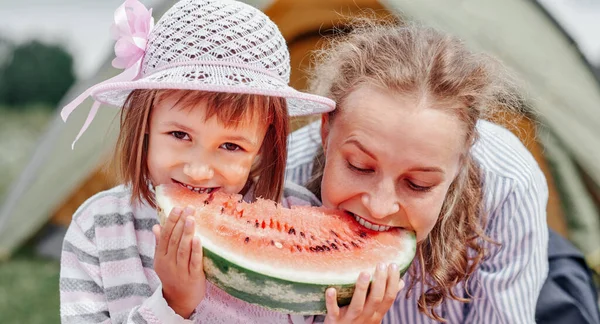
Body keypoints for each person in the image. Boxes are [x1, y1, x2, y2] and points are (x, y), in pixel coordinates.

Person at [58, 0, 401, 323]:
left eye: (231, 146)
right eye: (179, 135)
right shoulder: (96, 228)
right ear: (146, 121)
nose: (198, 169)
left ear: (264, 143)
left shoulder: (301, 211)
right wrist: (173, 305)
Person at [286, 20, 550, 323]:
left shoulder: (508, 186)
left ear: (461, 162)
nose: (379, 207)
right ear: (325, 132)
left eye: (417, 184)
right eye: (359, 166)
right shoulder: (284, 178)